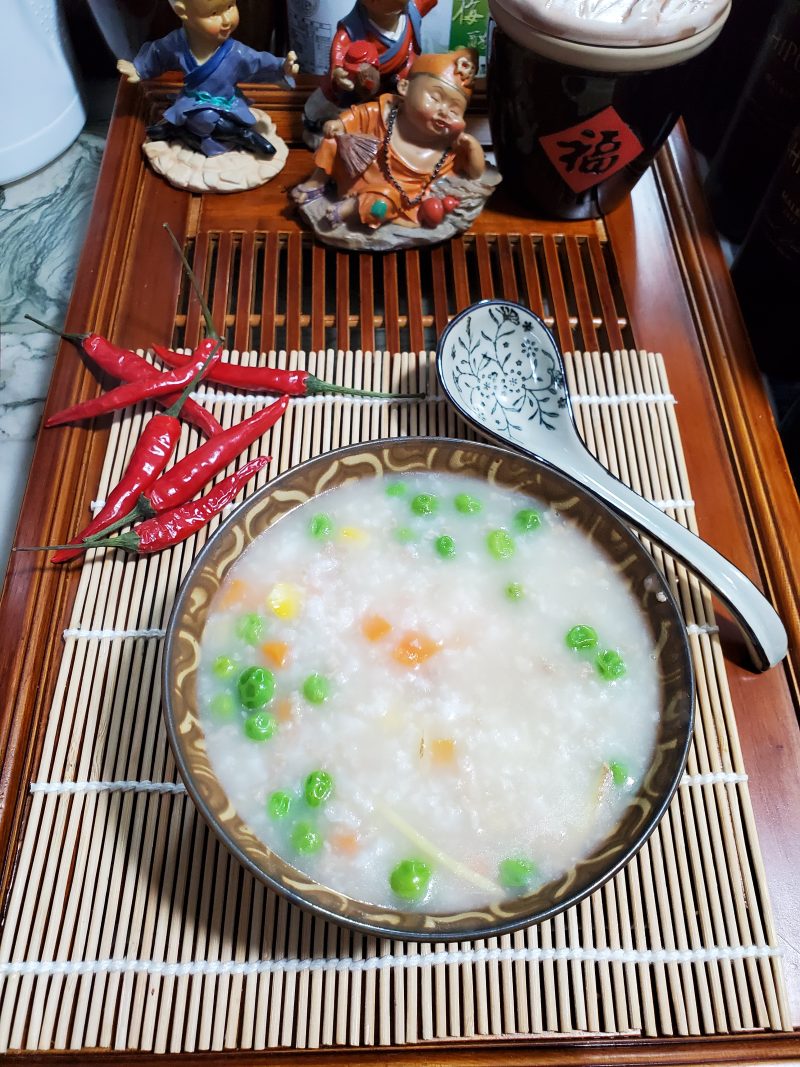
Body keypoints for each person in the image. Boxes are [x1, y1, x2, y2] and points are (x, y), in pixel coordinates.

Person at [294, 48, 485, 230]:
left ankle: (350, 209)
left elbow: (474, 174)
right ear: (404, 87)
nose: (443, 112)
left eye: (454, 111)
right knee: (334, 140)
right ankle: (317, 181)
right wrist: (339, 125)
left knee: (382, 206)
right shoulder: (383, 113)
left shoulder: (449, 145)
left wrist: (473, 148)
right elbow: (359, 115)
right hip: (355, 167)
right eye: (435, 98)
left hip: (391, 194)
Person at [117, 0, 299, 157]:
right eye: (213, 13)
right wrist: (139, 68)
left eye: (230, 6)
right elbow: (157, 53)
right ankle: (242, 136)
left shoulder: (236, 52)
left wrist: (282, 67)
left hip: (228, 102)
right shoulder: (177, 44)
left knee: (214, 120)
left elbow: (258, 62)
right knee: (205, 116)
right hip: (193, 102)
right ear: (183, 12)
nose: (227, 20)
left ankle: (179, 131)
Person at [302, 0, 437, 142]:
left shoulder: (411, 12)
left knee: (398, 111)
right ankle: (315, 127)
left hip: (398, 81)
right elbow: (339, 49)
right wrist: (338, 72)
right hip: (360, 83)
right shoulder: (352, 29)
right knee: (330, 102)